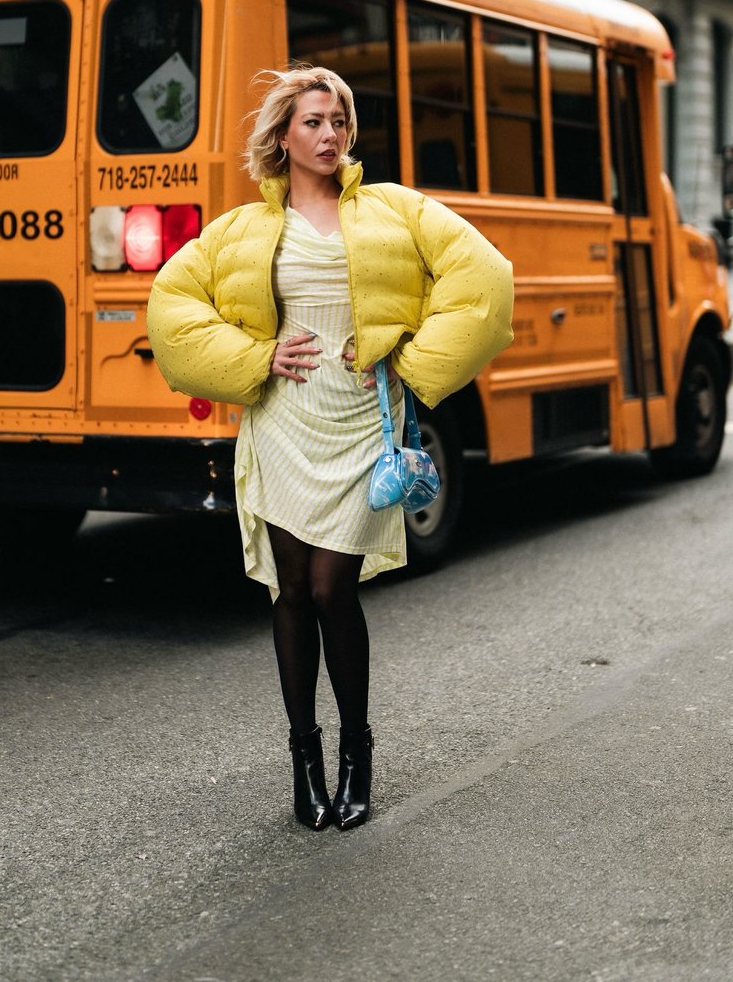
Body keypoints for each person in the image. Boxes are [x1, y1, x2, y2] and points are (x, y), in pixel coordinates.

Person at [147, 65, 514, 832]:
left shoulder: (392, 209)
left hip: (357, 424)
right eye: (313, 122)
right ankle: (304, 764)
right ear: (283, 136)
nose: (329, 134)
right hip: (283, 420)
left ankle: (357, 756)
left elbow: (483, 276)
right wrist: (255, 358)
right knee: (290, 591)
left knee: (330, 590)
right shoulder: (244, 229)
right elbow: (172, 304)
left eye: (339, 121)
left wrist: (411, 360)